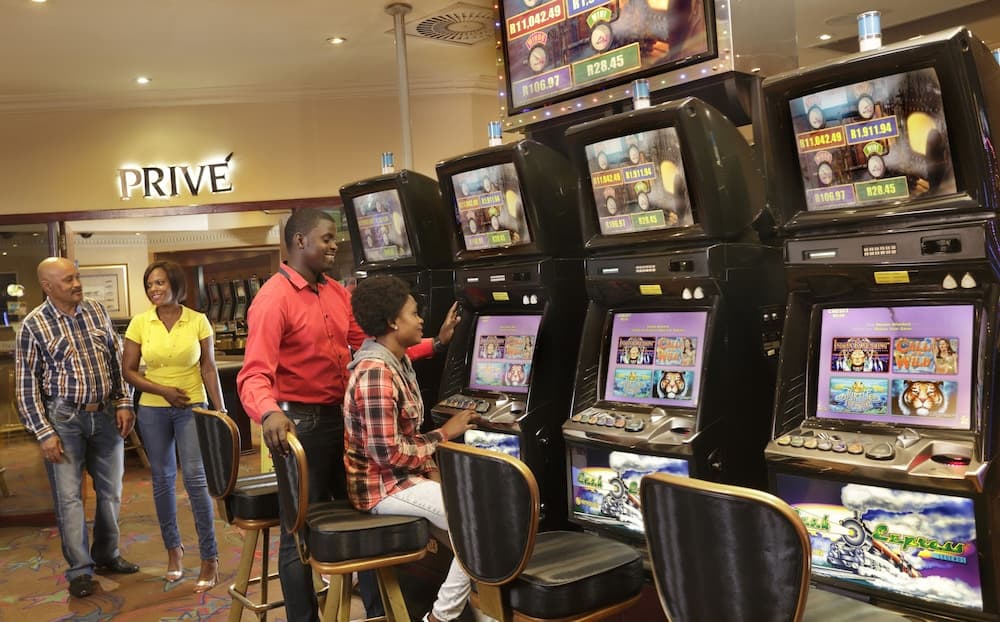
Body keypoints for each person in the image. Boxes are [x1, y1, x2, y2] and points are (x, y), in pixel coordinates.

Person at [237, 208, 460, 622]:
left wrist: (435, 343)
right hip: (299, 425)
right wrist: (267, 413)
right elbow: (253, 375)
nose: (334, 245)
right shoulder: (273, 298)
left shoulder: (336, 293)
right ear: (300, 240)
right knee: (298, 534)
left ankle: (378, 612)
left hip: (341, 420)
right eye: (326, 238)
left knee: (363, 517)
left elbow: (380, 342)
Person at [344, 276, 485, 622]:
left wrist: (433, 472)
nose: (421, 320)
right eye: (413, 313)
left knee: (476, 531)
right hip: (382, 488)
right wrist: (444, 434)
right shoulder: (376, 373)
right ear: (393, 322)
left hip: (402, 478)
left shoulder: (397, 360)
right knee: (478, 521)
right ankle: (439, 618)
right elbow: (388, 454)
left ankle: (484, 615)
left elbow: (407, 436)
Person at [14, 257, 139, 599]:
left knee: (111, 491)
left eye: (77, 277)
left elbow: (116, 361)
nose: (77, 284)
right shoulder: (33, 325)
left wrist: (124, 401)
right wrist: (44, 433)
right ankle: (80, 570)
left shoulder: (96, 311)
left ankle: (107, 554)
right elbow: (26, 387)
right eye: (68, 280)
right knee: (69, 498)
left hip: (106, 415)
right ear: (47, 286)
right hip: (64, 420)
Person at [121, 260, 223, 591]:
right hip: (153, 410)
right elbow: (128, 371)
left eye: (160, 283)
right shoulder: (140, 322)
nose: (154, 289)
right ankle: (173, 551)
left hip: (192, 406)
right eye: (150, 284)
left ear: (176, 285)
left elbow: (208, 367)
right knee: (162, 481)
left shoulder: (197, 320)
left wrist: (220, 410)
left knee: (195, 479)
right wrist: (162, 390)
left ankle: (209, 557)